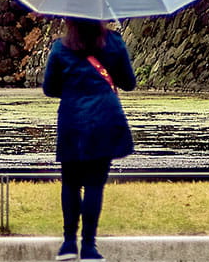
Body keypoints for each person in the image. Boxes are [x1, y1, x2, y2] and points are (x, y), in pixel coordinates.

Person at [42, 18, 137, 261]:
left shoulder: (60, 47)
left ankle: (68, 243)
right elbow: (129, 83)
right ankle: (89, 246)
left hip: (72, 119)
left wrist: (75, 86)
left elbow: (50, 88)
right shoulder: (113, 42)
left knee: (70, 182)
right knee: (95, 184)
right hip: (104, 118)